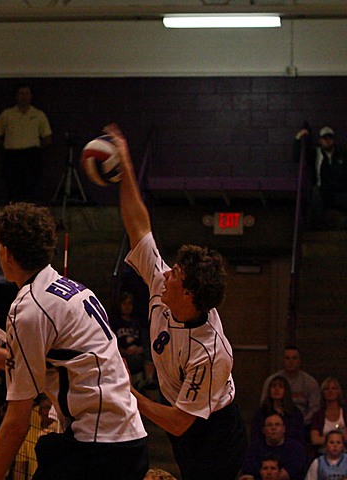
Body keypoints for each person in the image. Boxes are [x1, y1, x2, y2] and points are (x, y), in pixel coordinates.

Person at [0, 202, 148, 480]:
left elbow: (17, 421)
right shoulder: (74, 290)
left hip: (100, 447)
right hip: (125, 439)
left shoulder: (29, 309)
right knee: (49, 449)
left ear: (5, 252)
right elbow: (46, 364)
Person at [109, 123, 247, 480]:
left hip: (214, 433)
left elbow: (180, 422)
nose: (166, 273)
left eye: (176, 276)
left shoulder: (211, 352)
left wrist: (130, 391)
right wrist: (125, 168)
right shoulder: (163, 285)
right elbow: (139, 226)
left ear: (188, 295)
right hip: (183, 418)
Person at [0, 83, 52, 203]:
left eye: (26, 93)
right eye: (21, 94)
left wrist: (37, 148)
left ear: (31, 96)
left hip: (31, 155)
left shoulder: (38, 115)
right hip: (12, 155)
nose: (24, 97)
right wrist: (6, 145)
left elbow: (47, 137)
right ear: (16, 96)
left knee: (31, 187)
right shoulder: (7, 114)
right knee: (12, 187)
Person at [294, 126, 347, 229]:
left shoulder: (343, 154)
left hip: (341, 192)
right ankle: (320, 225)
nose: (327, 141)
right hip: (324, 192)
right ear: (320, 140)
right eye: (324, 138)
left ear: (333, 140)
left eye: (329, 138)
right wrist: (298, 137)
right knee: (315, 193)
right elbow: (297, 157)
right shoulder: (316, 154)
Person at [260, 345, 321, 425]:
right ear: (283, 360)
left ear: (299, 361)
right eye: (287, 358)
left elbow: (314, 409)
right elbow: (264, 404)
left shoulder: (310, 383)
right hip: (273, 423)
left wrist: (299, 422)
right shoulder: (271, 381)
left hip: (302, 424)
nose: (291, 362)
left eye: (294, 358)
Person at [240, 413, 307, 480]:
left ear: (284, 429)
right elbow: (248, 469)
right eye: (269, 425)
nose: (273, 428)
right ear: (263, 430)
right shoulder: (254, 448)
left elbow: (298, 470)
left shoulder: (295, 448)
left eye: (277, 425)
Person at [250, 375, 305, 444]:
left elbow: (299, 437)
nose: (276, 389)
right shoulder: (261, 413)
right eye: (273, 386)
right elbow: (255, 436)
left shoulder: (295, 413)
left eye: (280, 387)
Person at [111, 291, 146, 376]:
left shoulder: (136, 324)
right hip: (122, 357)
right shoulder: (115, 324)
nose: (127, 307)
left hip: (137, 355)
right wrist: (125, 351)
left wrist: (138, 349)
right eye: (124, 304)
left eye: (129, 303)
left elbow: (142, 344)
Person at [310, 377, 347, 454]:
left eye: (333, 388)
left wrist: (325, 439)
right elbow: (315, 440)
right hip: (323, 455)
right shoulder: (317, 416)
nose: (330, 391)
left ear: (338, 392)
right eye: (326, 389)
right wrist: (339, 438)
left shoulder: (345, 413)